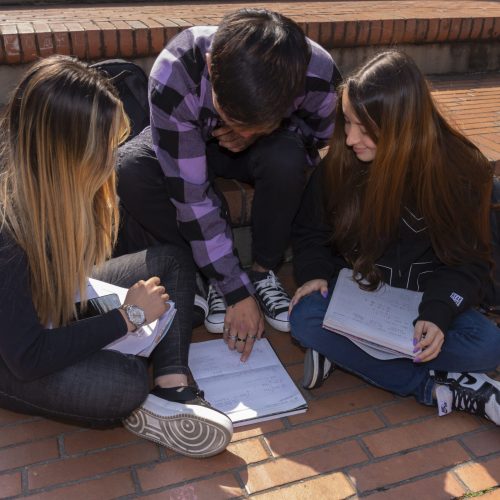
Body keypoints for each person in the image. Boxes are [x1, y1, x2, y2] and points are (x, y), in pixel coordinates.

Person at [0, 55, 232, 457]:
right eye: (103, 150)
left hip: (51, 311)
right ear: (64, 152)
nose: (112, 162)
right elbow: (28, 356)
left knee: (168, 262)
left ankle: (171, 385)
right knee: (123, 383)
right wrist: (128, 318)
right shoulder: (7, 233)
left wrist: (113, 317)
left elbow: (62, 294)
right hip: (13, 360)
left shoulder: (54, 192)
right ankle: (148, 384)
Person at [115, 8, 341, 360]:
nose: (245, 130)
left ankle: (264, 271)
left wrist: (265, 134)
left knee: (287, 157)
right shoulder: (175, 70)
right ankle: (213, 276)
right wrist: (235, 290)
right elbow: (191, 196)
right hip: (187, 139)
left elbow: (324, 138)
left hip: (267, 148)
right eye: (232, 115)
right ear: (209, 64)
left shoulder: (315, 72)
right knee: (130, 168)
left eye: (258, 122)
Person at [289, 50, 500, 425]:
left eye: (365, 128)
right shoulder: (343, 159)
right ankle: (433, 387)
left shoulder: (460, 170)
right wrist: (315, 274)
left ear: (402, 126)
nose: (351, 138)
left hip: (424, 305)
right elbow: (310, 232)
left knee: (487, 345)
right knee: (305, 318)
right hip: (362, 298)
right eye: (347, 121)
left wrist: (438, 315)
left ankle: (345, 351)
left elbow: (470, 261)